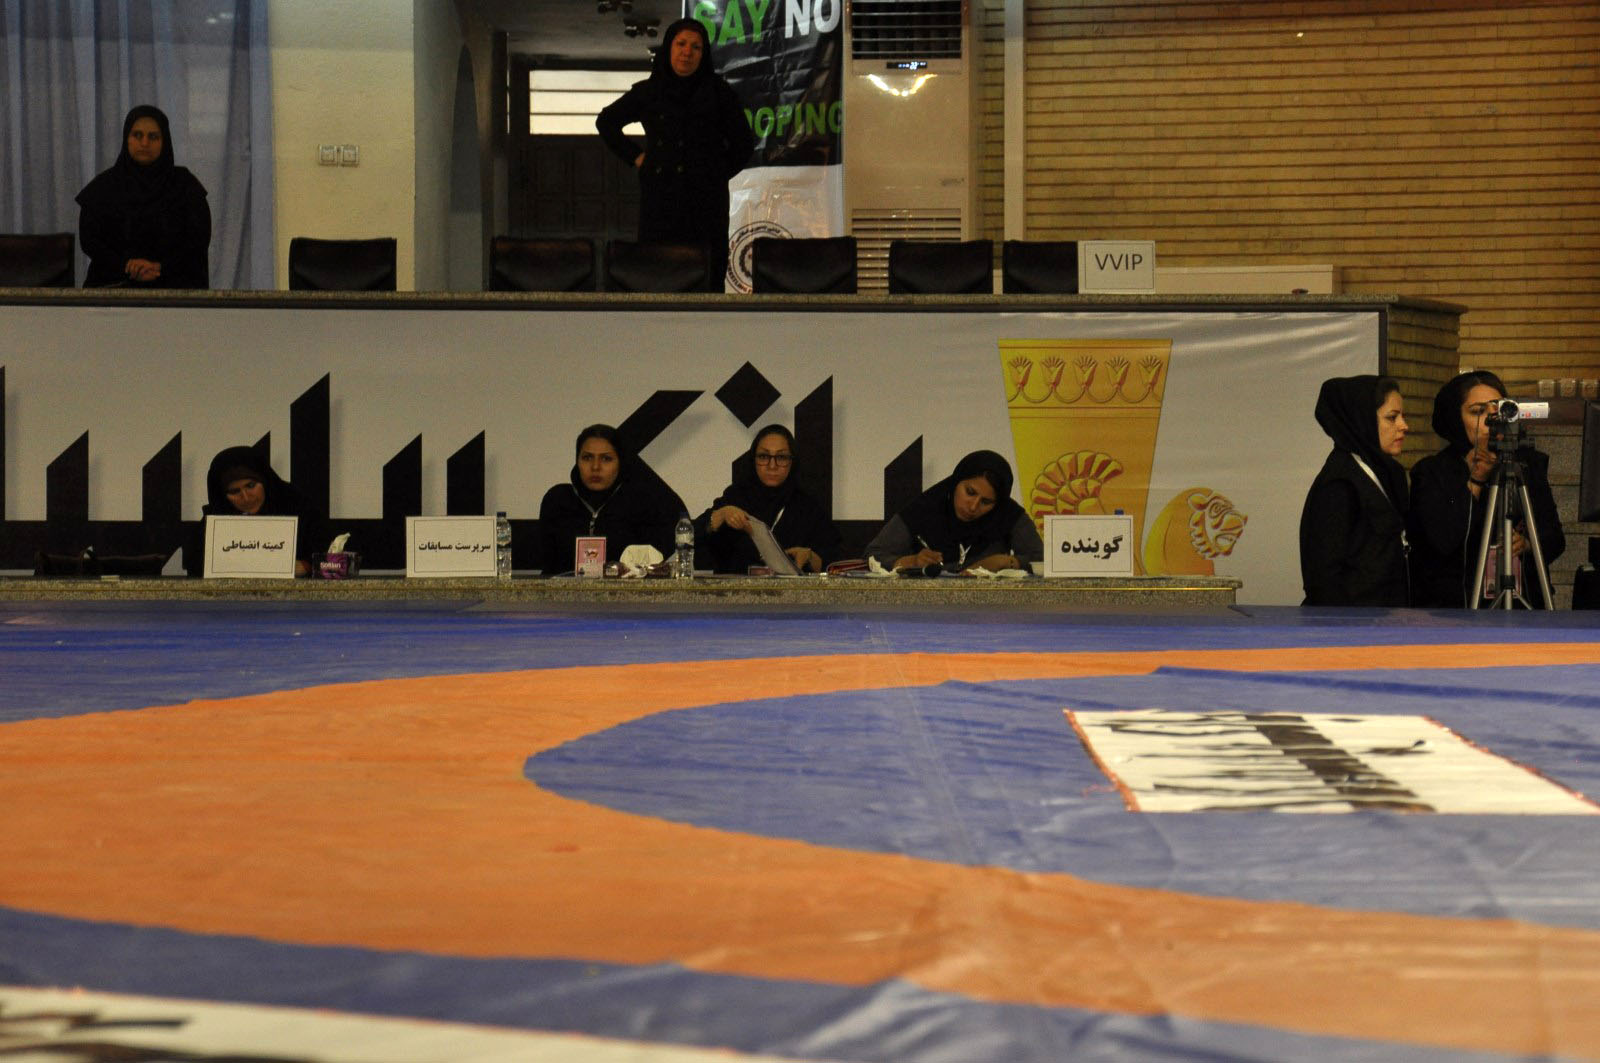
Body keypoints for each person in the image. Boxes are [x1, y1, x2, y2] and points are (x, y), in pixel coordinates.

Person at [595, 17, 754, 292]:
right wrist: (637, 158)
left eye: (695, 47)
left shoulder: (720, 93)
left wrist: (714, 173)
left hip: (706, 203)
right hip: (660, 198)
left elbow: (743, 145)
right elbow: (606, 121)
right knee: (658, 272)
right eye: (681, 44)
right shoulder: (649, 91)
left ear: (703, 54)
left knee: (707, 275)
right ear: (669, 47)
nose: (687, 52)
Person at [1408, 370, 1564, 607]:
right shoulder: (1433, 471)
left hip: (1523, 604)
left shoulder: (1526, 465)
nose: (1490, 422)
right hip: (1458, 607)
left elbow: (1555, 539)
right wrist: (1477, 480)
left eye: (1496, 411)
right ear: (1455, 418)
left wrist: (1526, 543)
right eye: (1477, 412)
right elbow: (1440, 541)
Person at [1299, 375, 1411, 606]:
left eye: (1402, 416)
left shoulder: (1390, 473)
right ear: (1363, 421)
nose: (1404, 426)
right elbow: (1323, 576)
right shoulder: (1339, 484)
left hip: (1390, 617)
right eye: (1392, 418)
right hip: (1352, 621)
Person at [76, 105, 211, 289]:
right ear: (127, 138)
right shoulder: (104, 188)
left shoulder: (185, 187)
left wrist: (160, 268)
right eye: (137, 135)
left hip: (176, 290)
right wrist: (127, 266)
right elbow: (90, 241)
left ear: (165, 141)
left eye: (153, 137)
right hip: (112, 288)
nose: (145, 143)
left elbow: (198, 241)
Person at [537, 425, 687, 575]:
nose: (595, 467)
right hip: (563, 589)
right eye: (587, 458)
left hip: (628, 590)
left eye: (606, 459)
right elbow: (548, 566)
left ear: (620, 462)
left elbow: (679, 529)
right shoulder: (558, 501)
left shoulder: (642, 502)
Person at [866, 450, 1043, 574]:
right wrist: (911, 562)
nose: (973, 507)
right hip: (926, 608)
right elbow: (872, 556)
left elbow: (1044, 561)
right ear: (956, 482)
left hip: (990, 611)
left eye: (986, 502)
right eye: (970, 492)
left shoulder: (1008, 514)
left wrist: (1006, 562)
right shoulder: (926, 507)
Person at [694, 425, 840, 574]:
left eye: (781, 457)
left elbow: (835, 563)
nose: (772, 465)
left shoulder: (808, 508)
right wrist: (720, 515)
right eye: (764, 456)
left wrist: (810, 557)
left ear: (792, 462)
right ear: (753, 459)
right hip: (734, 588)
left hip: (790, 589)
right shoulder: (735, 497)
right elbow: (689, 539)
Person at [199, 447, 327, 577]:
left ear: (265, 481)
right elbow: (196, 563)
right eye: (234, 491)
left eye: (250, 486)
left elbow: (329, 554)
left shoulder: (298, 507)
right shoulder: (216, 515)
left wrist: (307, 566)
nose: (246, 497)